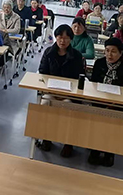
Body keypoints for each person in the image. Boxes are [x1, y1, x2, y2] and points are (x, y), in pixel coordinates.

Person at [38, 24, 84, 157]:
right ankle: (46, 138)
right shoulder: (48, 52)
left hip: (69, 94)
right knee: (45, 104)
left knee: (68, 107)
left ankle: (68, 142)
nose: (62, 41)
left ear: (71, 39)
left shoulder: (76, 55)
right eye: (60, 37)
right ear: (56, 38)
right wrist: (52, 90)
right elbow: (42, 72)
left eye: (66, 38)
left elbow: (78, 77)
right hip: (50, 91)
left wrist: (65, 93)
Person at [90, 37, 123, 167]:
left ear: (121, 53)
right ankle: (95, 148)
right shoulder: (99, 63)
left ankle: (109, 152)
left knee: (112, 119)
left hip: (118, 104)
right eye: (107, 51)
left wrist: (115, 102)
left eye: (113, 51)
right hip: (99, 100)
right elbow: (93, 84)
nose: (109, 54)